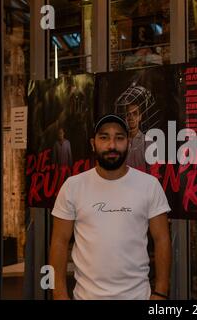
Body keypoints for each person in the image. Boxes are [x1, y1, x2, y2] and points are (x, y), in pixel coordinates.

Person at [49, 114, 171, 300]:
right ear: (93, 143)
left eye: (119, 138)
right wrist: (59, 295)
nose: (112, 145)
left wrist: (161, 293)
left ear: (129, 143)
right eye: (104, 137)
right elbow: (58, 242)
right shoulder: (73, 186)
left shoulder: (150, 185)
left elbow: (162, 239)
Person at [114, 85, 155, 172]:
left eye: (135, 113)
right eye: (128, 114)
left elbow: (153, 173)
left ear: (140, 117)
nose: (131, 117)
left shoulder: (149, 143)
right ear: (125, 117)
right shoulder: (117, 143)